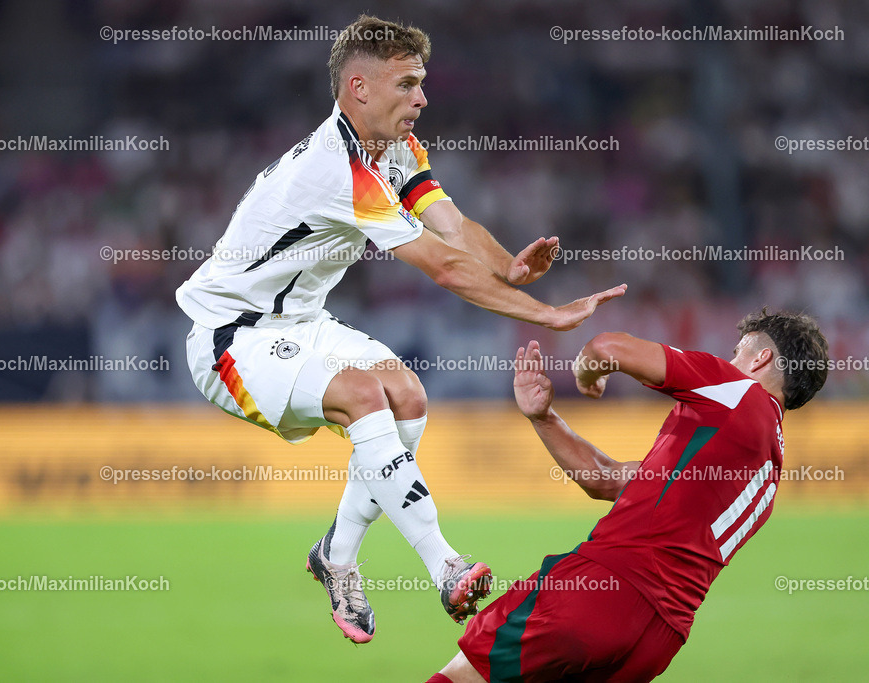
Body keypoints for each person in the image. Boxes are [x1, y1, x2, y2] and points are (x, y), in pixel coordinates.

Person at [176, 14, 626, 644]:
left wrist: (509, 267)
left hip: (300, 321)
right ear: (359, 88)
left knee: (407, 396)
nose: (422, 98)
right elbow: (442, 267)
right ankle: (447, 566)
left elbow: (452, 227)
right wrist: (548, 316)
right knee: (364, 394)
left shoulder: (393, 151)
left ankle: (335, 554)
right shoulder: (340, 170)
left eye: (422, 83)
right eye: (408, 84)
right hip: (231, 338)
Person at [428, 309, 829, 682]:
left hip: (599, 589)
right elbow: (605, 480)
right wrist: (544, 417)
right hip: (658, 639)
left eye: (737, 352)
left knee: (463, 675)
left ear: (759, 359)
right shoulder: (765, 474)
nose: (729, 361)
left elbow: (606, 348)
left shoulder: (737, 391)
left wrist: (588, 380)